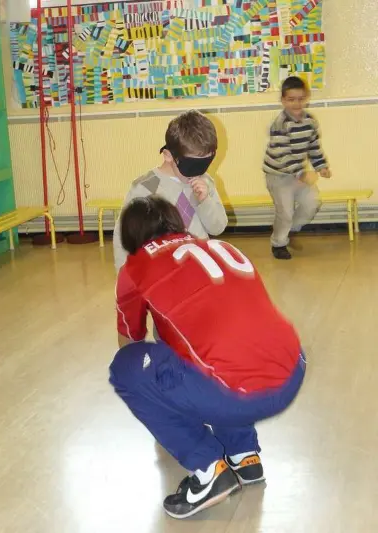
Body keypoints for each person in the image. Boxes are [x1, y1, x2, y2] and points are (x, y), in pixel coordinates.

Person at [109, 196, 306, 520]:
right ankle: (244, 455)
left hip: (235, 395)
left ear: (130, 238)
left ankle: (208, 469)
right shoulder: (222, 248)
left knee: (127, 368)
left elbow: (129, 341)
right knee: (219, 348)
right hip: (291, 371)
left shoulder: (135, 267)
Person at [112, 110, 228, 271]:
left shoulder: (205, 182)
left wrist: (205, 201)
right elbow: (123, 238)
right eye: (192, 166)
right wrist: (125, 277)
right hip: (161, 271)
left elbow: (218, 228)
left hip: (200, 268)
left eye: (204, 164)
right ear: (168, 155)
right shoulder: (146, 187)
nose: (197, 172)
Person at [263, 76, 331, 260]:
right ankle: (278, 244)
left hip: (297, 174)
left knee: (312, 203)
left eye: (300, 99)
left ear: (307, 97)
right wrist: (301, 174)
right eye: (291, 100)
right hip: (277, 176)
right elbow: (284, 155)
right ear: (283, 100)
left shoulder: (310, 121)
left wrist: (321, 166)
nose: (296, 104)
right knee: (285, 212)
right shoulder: (280, 124)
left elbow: (313, 147)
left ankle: (288, 230)